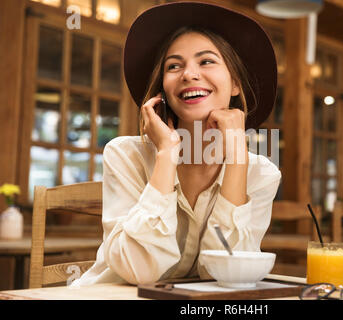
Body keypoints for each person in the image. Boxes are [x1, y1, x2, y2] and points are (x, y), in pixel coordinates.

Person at [71, 1, 280, 286]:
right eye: (174, 66)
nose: (188, 74)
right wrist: (167, 153)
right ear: (163, 92)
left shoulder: (261, 174)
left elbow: (226, 271)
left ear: (235, 85)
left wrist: (237, 159)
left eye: (206, 61)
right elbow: (139, 271)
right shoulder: (125, 155)